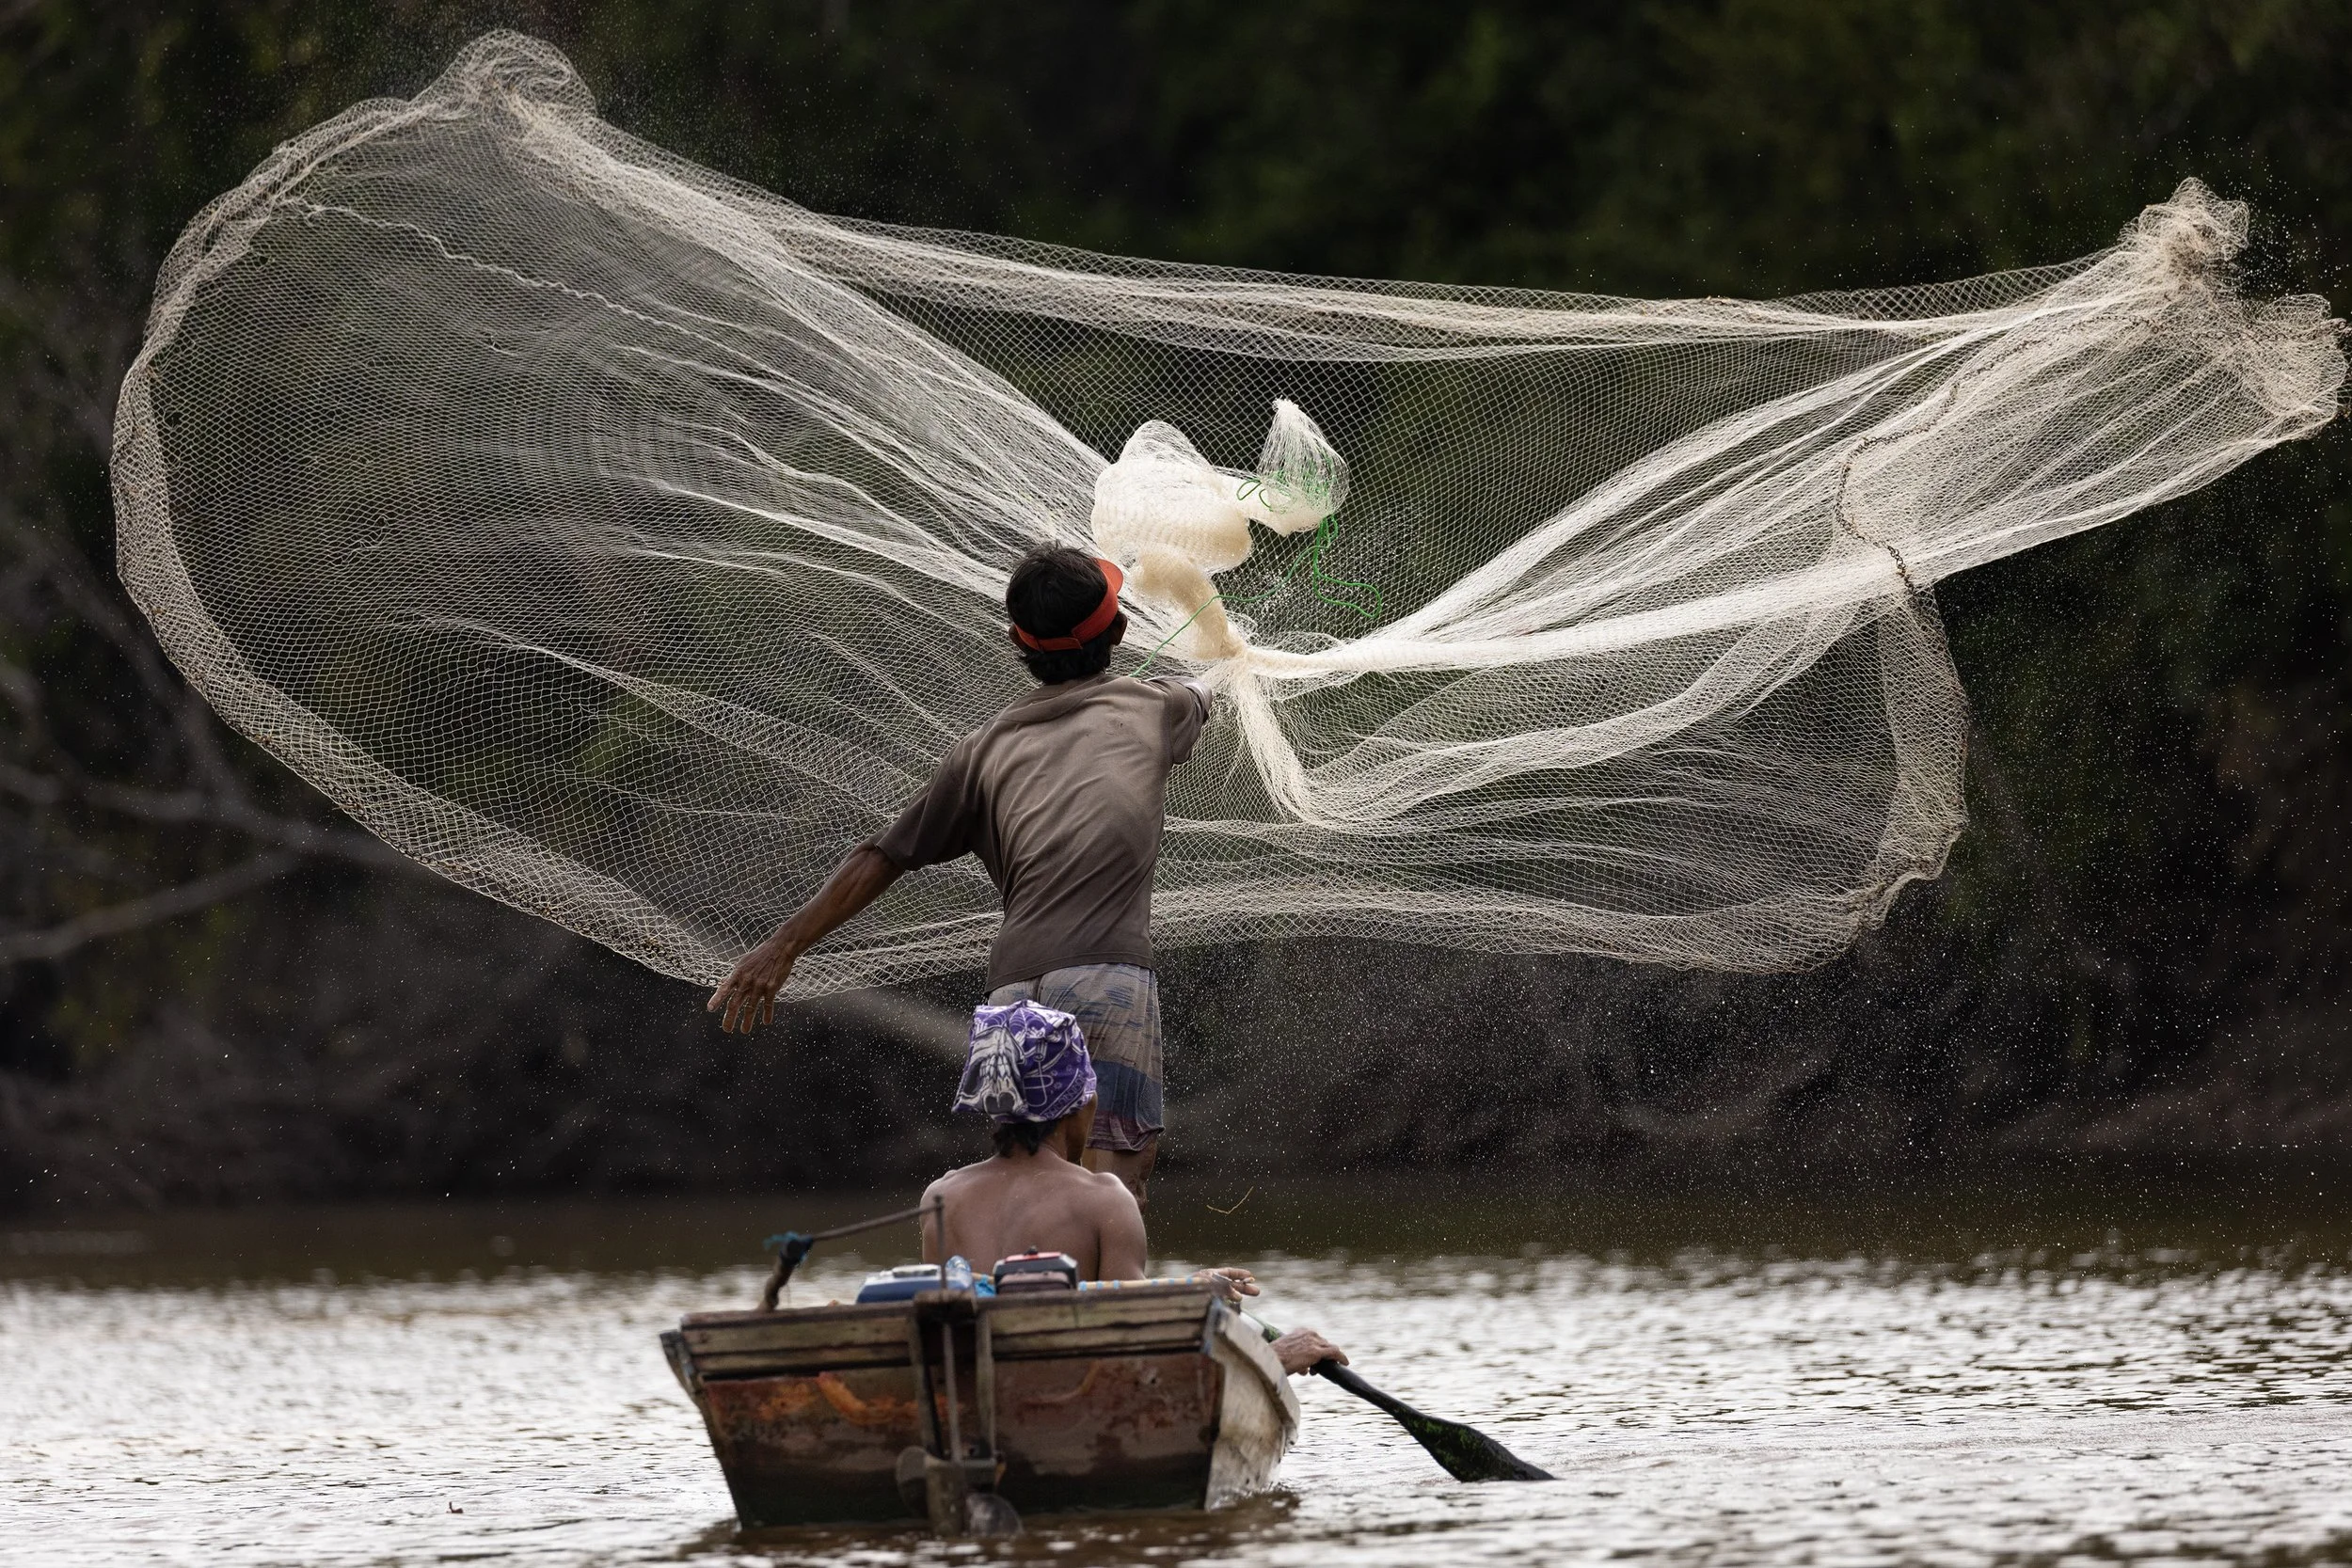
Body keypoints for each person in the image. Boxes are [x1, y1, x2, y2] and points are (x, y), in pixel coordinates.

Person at [709, 546, 1210, 1207]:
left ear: (1015, 641)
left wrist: (784, 947)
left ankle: (1012, 1304)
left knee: (1020, 1189)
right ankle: (1105, 1303)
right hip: (1105, 982)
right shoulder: (1158, 708)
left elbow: (881, 855)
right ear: (1119, 632)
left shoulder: (980, 752)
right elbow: (1208, 688)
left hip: (1010, 994)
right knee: (1112, 1191)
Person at [916, 998, 1347, 1378]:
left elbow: (959, 1337)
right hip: (1077, 1401)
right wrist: (1273, 1356)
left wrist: (1189, 1287)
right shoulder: (1104, 1200)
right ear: (1082, 1104)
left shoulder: (942, 1198)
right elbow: (1141, 1350)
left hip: (974, 1400)